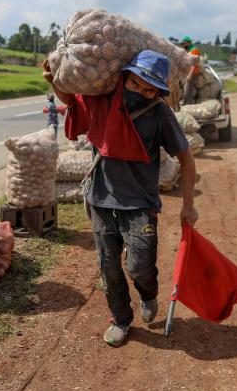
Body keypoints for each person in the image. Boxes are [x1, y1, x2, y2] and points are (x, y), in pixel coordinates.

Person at [43, 50, 198, 346]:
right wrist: (53, 80)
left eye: (148, 87)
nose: (140, 91)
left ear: (158, 90)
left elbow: (186, 158)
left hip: (140, 205)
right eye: (135, 83)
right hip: (101, 200)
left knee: (139, 266)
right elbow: (71, 102)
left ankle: (148, 293)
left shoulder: (158, 112)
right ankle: (121, 318)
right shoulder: (102, 101)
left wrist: (188, 205)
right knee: (108, 266)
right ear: (125, 76)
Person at [179, 36, 203, 104]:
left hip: (193, 73)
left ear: (189, 43)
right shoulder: (188, 51)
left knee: (188, 86)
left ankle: (186, 101)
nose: (183, 45)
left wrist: (190, 75)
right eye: (182, 44)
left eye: (184, 43)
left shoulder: (194, 50)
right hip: (187, 72)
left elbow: (194, 64)